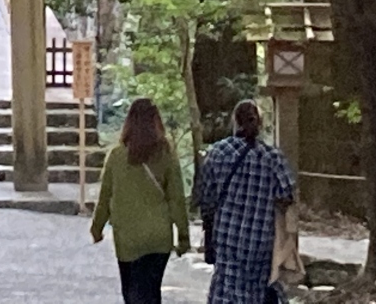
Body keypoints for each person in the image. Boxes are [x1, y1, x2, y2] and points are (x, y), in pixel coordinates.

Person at [91, 98, 190, 304]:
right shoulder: (166, 153)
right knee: (151, 292)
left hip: (127, 238)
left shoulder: (116, 156)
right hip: (158, 237)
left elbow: (105, 196)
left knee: (132, 293)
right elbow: (176, 198)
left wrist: (97, 227)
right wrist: (183, 235)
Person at [196, 100, 295, 304]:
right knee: (257, 288)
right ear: (259, 124)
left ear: (235, 121)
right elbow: (287, 194)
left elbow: (205, 197)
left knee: (227, 284)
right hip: (260, 237)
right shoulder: (272, 158)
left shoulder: (218, 152)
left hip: (227, 236)